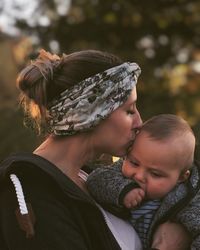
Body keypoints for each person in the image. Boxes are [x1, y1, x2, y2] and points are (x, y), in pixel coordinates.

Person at [0, 49, 190, 250]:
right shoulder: (29, 191)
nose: (139, 123)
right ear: (91, 113)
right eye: (129, 110)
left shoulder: (93, 181)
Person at [87, 114, 200, 250]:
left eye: (155, 174)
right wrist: (124, 190)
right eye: (134, 163)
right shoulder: (121, 174)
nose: (139, 176)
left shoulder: (189, 200)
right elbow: (95, 180)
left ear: (181, 177)